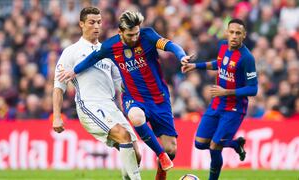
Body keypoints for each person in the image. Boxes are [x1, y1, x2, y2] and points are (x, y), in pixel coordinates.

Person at [57, 10, 193, 180]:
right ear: (120, 32)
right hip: (133, 98)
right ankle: (161, 155)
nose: (135, 37)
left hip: (159, 99)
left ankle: (162, 167)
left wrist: (182, 56)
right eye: (130, 35)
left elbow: (171, 45)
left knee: (171, 149)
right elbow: (92, 59)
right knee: (136, 118)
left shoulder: (148, 35)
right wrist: (74, 71)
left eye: (136, 33)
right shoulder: (110, 46)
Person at [52, 7, 141, 180]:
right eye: (92, 22)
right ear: (81, 24)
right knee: (123, 136)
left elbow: (120, 84)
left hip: (111, 105)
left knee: (136, 155)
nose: (96, 26)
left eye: (99, 22)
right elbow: (58, 86)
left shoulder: (108, 51)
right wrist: (56, 116)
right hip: (89, 104)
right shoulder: (71, 52)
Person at [182, 19, 258, 180]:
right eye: (231, 32)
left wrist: (226, 92)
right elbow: (219, 64)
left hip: (234, 109)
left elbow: (253, 89)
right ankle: (235, 144)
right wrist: (196, 66)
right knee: (200, 143)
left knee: (215, 146)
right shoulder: (223, 46)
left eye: (238, 33)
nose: (234, 36)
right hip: (217, 103)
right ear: (226, 33)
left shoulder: (247, 58)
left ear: (244, 35)